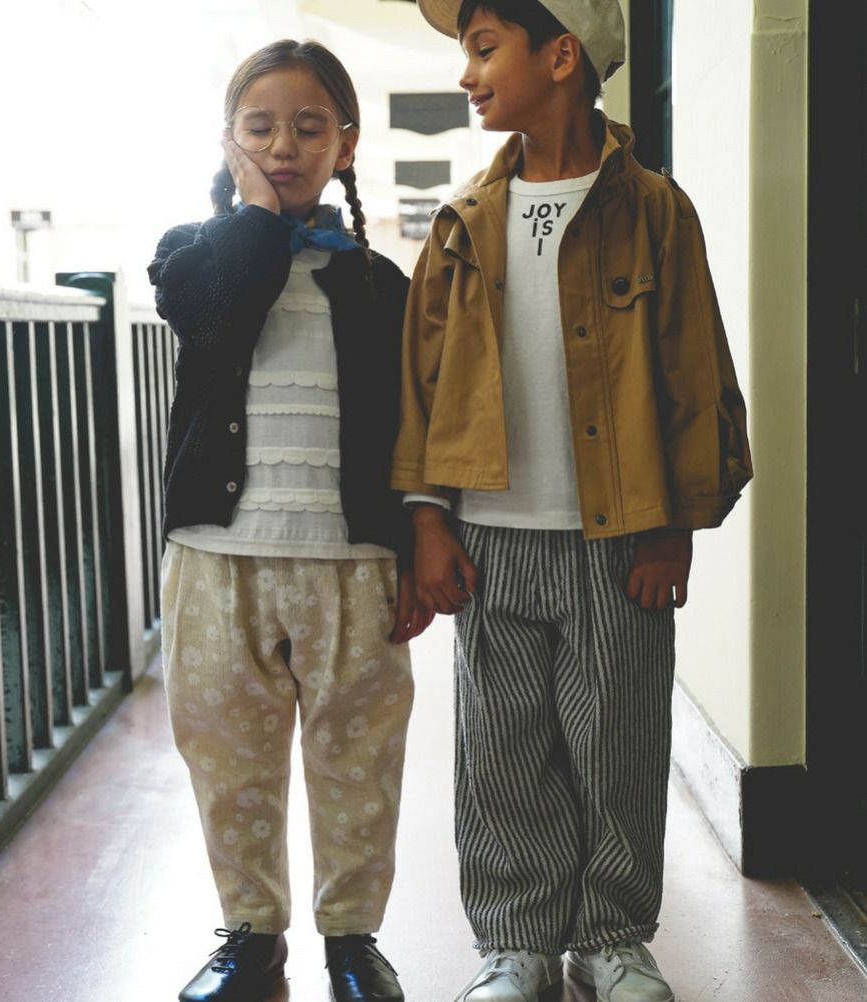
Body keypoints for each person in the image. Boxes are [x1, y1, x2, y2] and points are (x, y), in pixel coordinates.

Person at [393, 2, 753, 1001]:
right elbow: (421, 382)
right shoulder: (463, 223)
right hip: (489, 539)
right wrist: (426, 518)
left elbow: (695, 373)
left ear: (561, 55)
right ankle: (515, 943)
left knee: (618, 743)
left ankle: (611, 938)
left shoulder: (655, 211)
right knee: (501, 749)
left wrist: (675, 529)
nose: (466, 73)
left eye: (483, 48)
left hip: (620, 539)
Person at [148, 38, 431, 1002]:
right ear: (229, 141)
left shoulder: (381, 283)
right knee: (229, 762)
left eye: (310, 128)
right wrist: (261, 218)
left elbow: (412, 425)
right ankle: (250, 935)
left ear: (346, 145)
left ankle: (351, 940)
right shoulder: (194, 256)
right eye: (261, 127)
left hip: (353, 563)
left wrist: (412, 544)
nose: (284, 146)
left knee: (360, 759)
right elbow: (213, 315)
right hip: (217, 559)